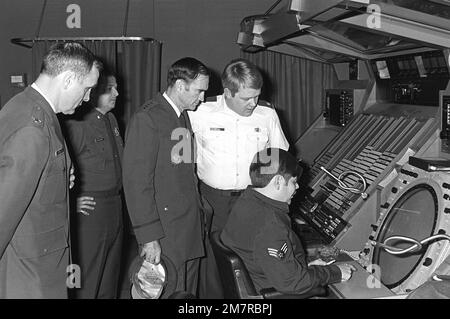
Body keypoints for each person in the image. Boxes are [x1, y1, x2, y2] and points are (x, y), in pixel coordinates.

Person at [0, 42, 100, 298]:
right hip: (29, 277)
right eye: (87, 88)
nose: (88, 98)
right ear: (67, 80)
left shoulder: (29, 107)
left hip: (40, 266)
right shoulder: (32, 128)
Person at [188, 58, 289, 298]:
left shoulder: (267, 113)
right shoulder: (200, 112)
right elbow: (178, 159)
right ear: (227, 92)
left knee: (252, 260)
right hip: (213, 201)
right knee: (212, 262)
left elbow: (280, 159)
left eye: (257, 96)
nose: (253, 103)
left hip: (252, 199)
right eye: (246, 98)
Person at [122, 57, 209, 298]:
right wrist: (149, 237)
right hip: (165, 232)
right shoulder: (147, 118)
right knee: (166, 291)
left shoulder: (181, 116)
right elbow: (136, 184)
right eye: (199, 90)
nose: (202, 98)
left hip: (187, 228)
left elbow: (184, 174)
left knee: (186, 293)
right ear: (180, 85)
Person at [221, 148, 356, 295]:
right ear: (278, 181)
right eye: (293, 182)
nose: (297, 187)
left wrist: (304, 265)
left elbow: (263, 258)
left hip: (265, 278)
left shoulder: (245, 202)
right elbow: (293, 283)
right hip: (269, 292)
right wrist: (335, 272)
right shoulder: (270, 225)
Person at [62, 68, 123, 298]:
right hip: (91, 212)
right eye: (109, 89)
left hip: (114, 207)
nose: (116, 92)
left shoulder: (110, 119)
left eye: (115, 87)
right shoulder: (78, 123)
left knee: (110, 277)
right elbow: (59, 168)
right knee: (85, 279)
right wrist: (70, 201)